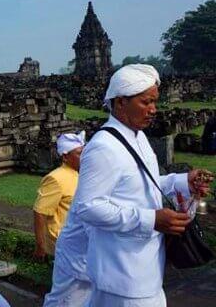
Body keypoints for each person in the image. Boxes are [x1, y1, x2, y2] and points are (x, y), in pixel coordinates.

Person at [64, 64, 213, 306]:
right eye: (146, 102)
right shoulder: (103, 147)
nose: (154, 110)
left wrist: (183, 182)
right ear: (120, 102)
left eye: (155, 102)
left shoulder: (137, 136)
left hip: (146, 267)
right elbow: (88, 207)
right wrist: (151, 219)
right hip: (122, 273)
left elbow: (142, 186)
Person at [33, 131, 85, 260]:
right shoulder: (55, 179)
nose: (84, 157)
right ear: (65, 157)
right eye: (79, 153)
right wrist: (41, 246)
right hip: (62, 243)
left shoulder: (81, 175)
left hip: (78, 240)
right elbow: (40, 212)